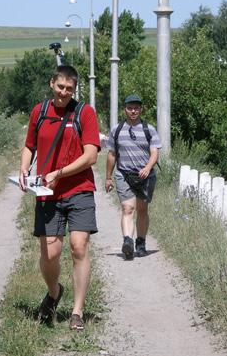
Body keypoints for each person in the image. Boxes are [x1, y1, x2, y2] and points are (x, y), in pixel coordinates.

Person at [19, 65, 100, 330]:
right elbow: (29, 145)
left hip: (79, 190)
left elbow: (91, 156)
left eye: (69, 89)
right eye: (60, 87)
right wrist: (23, 168)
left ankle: (77, 311)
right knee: (50, 255)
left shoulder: (84, 113)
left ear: (74, 89)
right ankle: (54, 293)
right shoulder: (39, 112)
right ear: (52, 83)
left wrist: (60, 173)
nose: (64, 92)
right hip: (47, 193)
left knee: (79, 246)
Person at [105, 94, 161, 260]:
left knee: (142, 210)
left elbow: (155, 152)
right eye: (130, 108)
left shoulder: (149, 129)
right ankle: (127, 242)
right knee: (128, 208)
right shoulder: (117, 130)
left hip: (145, 175)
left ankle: (141, 243)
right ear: (125, 109)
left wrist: (148, 167)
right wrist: (108, 177)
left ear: (141, 109)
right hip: (124, 174)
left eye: (136, 108)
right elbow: (112, 155)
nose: (133, 111)